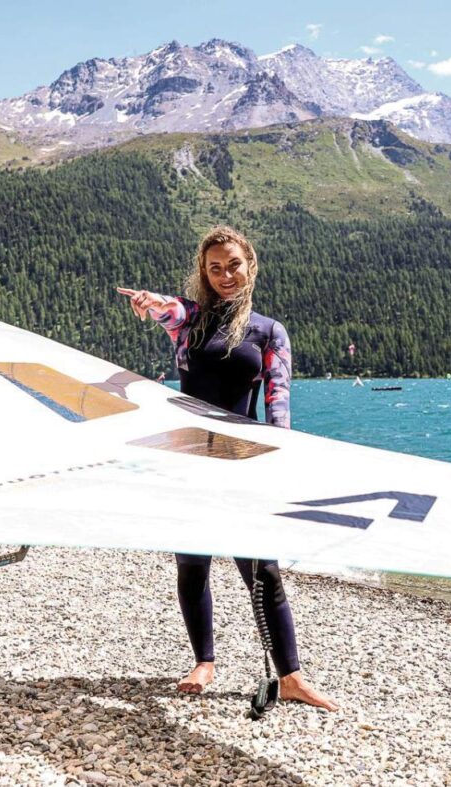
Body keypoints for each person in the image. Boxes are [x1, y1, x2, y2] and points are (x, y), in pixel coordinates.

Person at [116, 225, 339, 712]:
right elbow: (171, 309)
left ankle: (291, 677)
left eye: (233, 265)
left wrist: (281, 459)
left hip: (241, 463)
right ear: (203, 272)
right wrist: (153, 302)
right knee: (192, 564)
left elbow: (278, 403)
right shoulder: (190, 321)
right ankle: (204, 662)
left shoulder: (268, 331)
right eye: (214, 268)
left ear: (250, 265)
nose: (224, 275)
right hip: (187, 457)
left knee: (263, 572)